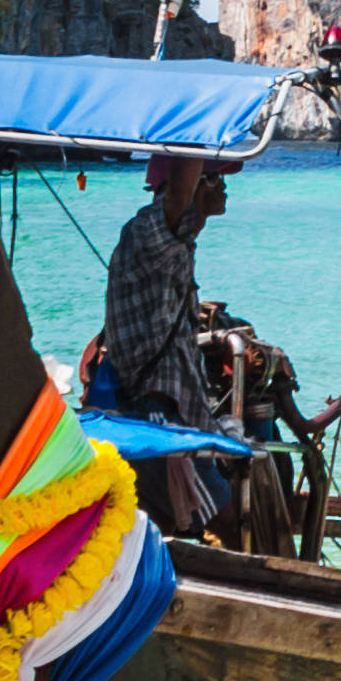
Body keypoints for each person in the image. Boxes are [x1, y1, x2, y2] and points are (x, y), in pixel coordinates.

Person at [102, 154, 230, 535]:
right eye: (212, 179)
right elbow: (176, 197)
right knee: (226, 522)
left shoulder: (177, 245)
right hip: (156, 416)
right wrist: (194, 130)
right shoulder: (149, 233)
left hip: (170, 413)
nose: (223, 187)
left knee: (186, 526)